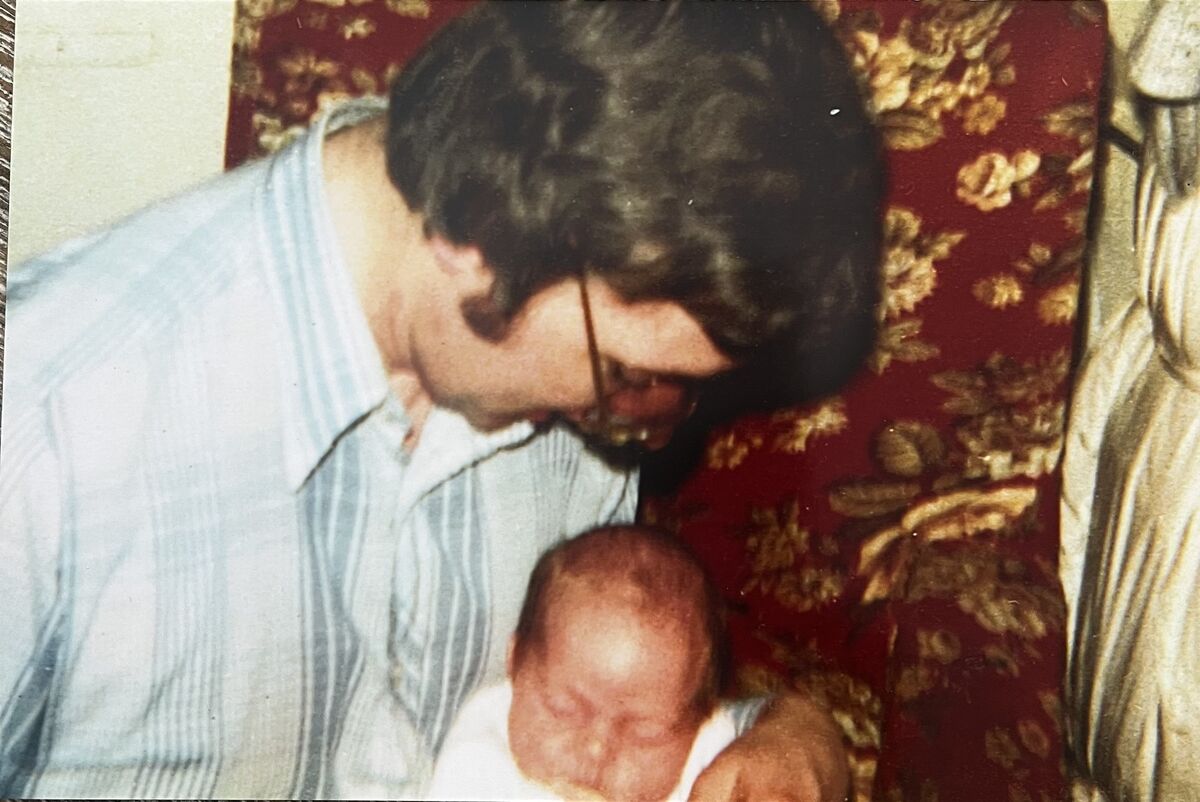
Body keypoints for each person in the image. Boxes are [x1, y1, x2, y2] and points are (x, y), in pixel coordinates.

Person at [0, 2, 882, 799]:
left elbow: (589, 704)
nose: (630, 426)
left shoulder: (563, 396)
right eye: (624, 375)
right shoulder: (44, 427)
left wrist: (793, 733)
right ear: (482, 233)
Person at [428, 525, 737, 802]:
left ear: (701, 721)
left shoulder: (712, 760)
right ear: (515, 664)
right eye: (564, 710)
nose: (597, 749)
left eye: (644, 734)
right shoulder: (478, 763)